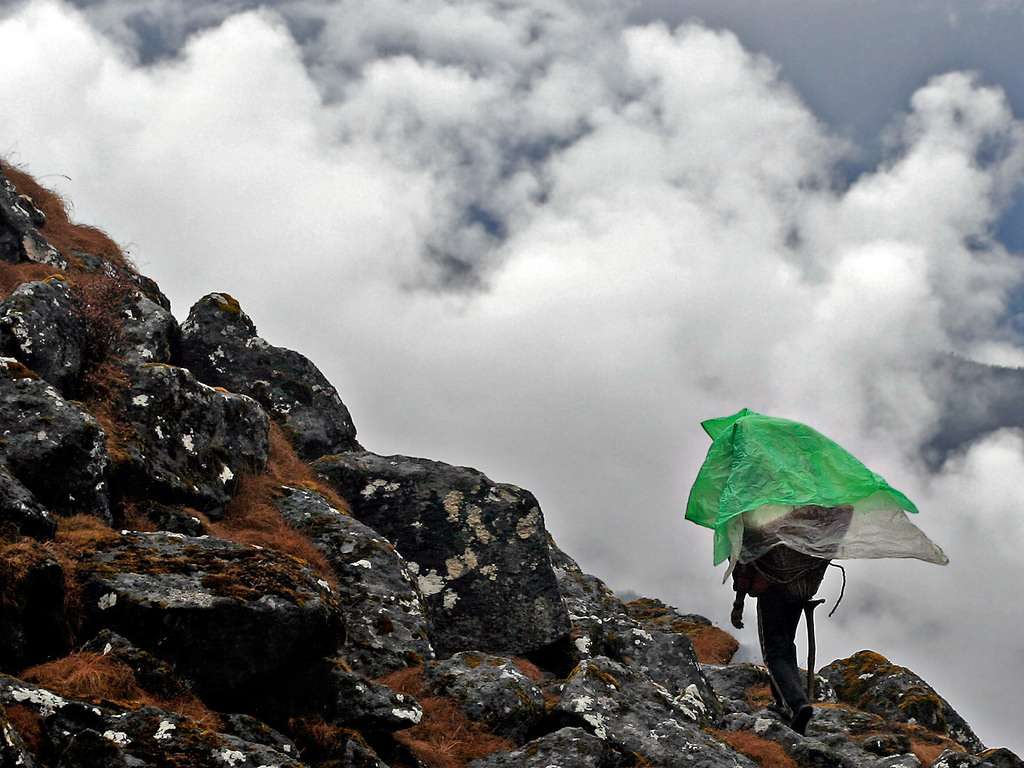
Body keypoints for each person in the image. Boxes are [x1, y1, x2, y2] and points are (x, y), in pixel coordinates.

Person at [727, 504, 852, 736]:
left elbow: (745, 560)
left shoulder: (757, 516)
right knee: (786, 643)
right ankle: (781, 701)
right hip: (800, 589)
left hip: (773, 590)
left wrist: (739, 602)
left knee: (774, 650)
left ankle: (798, 705)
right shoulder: (810, 517)